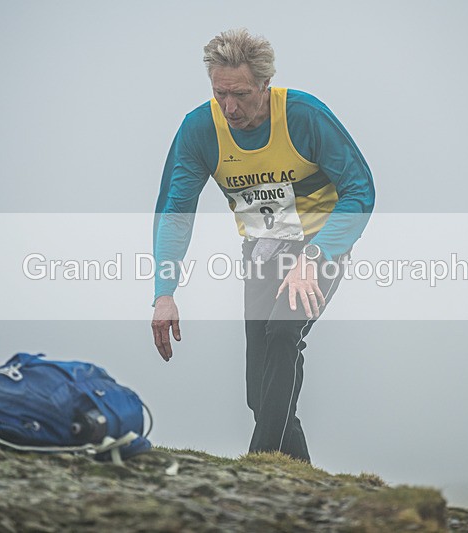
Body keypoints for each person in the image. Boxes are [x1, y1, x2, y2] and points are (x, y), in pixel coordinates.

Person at [151, 28, 374, 463]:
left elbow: (360, 190)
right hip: (263, 249)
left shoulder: (304, 116)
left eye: (241, 94)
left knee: (285, 331)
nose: (230, 107)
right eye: (220, 94)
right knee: (261, 392)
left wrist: (318, 254)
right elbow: (175, 211)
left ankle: (257, 465)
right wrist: (164, 293)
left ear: (264, 86)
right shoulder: (200, 130)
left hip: (319, 244)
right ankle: (299, 478)